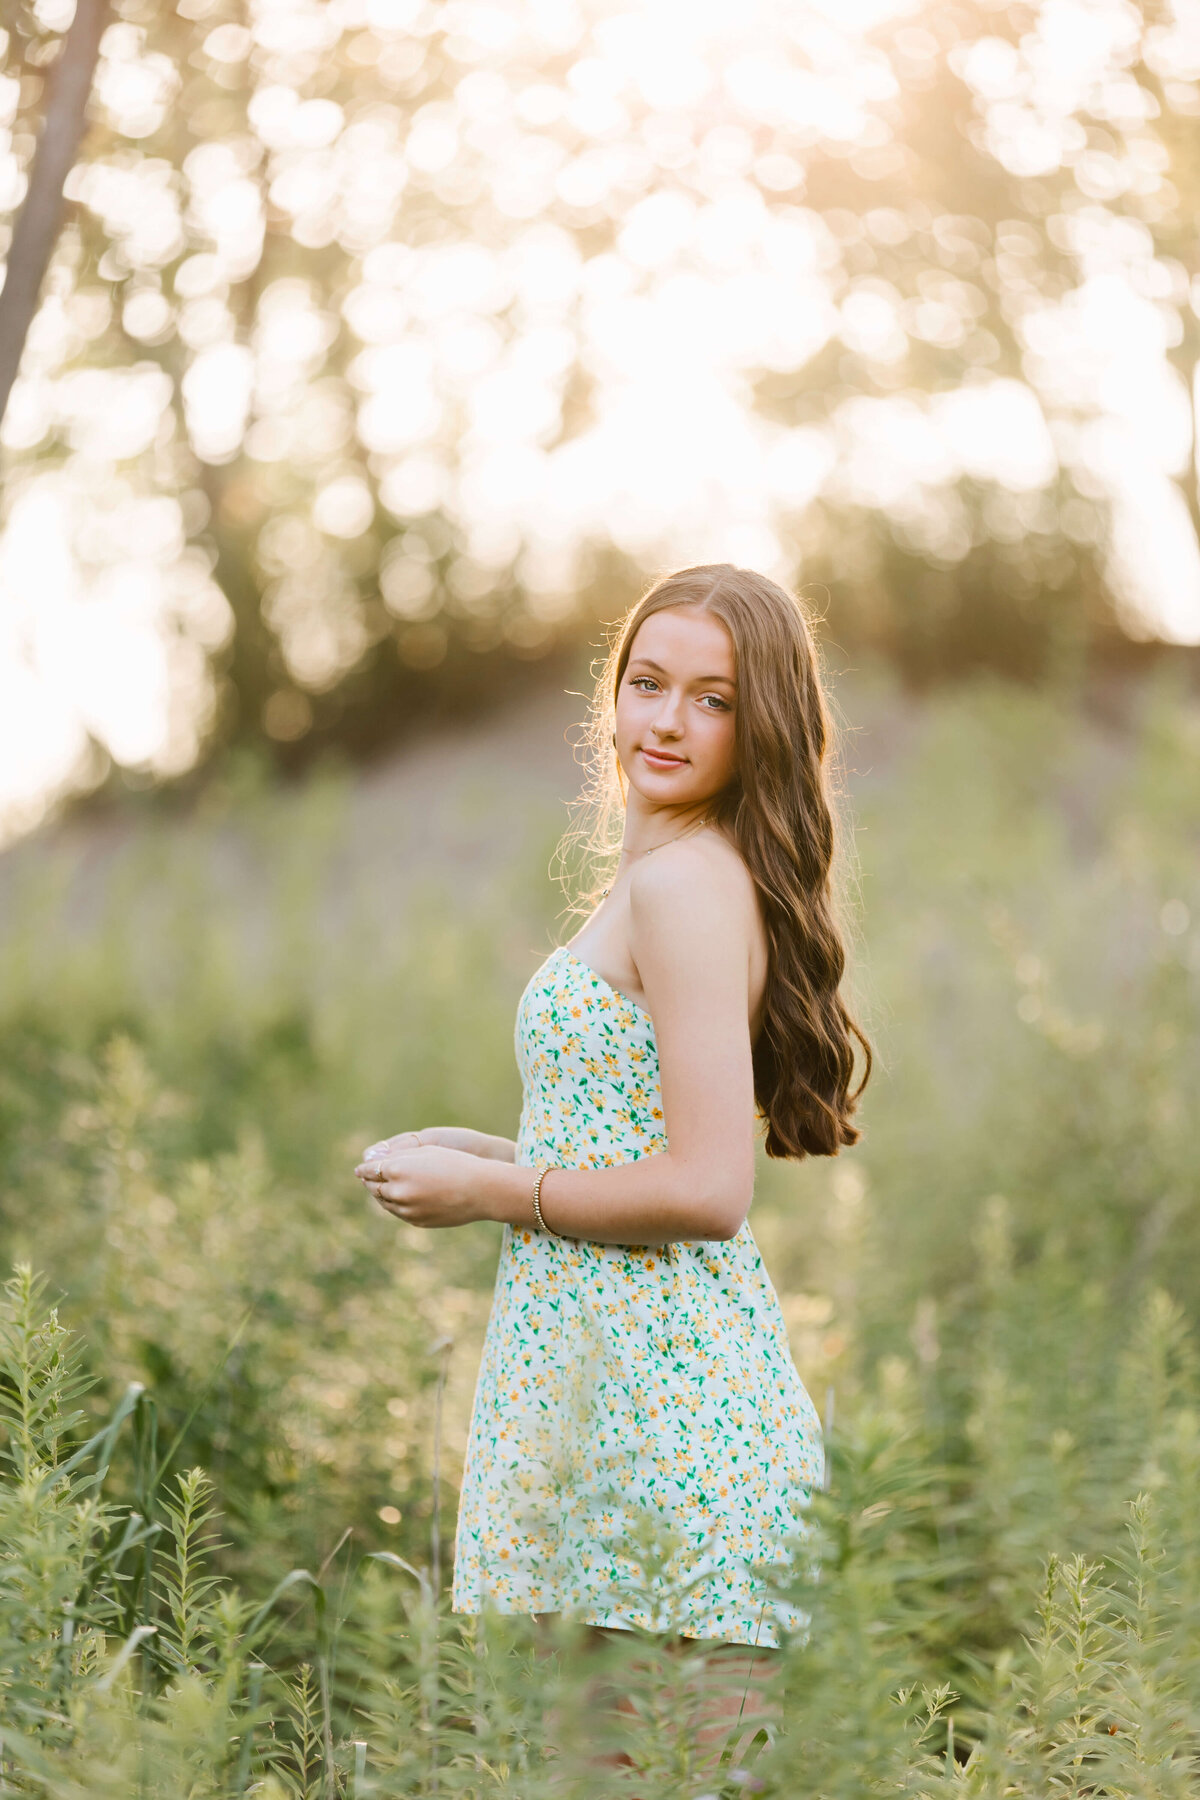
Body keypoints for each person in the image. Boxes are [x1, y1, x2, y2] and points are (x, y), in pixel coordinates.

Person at [355, 562, 871, 1779]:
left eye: (712, 700)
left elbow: (707, 1188)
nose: (666, 723)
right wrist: (481, 1152)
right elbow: (619, 1137)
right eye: (647, 684)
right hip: (607, 1419)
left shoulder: (688, 884)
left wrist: (493, 1194)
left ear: (765, 728)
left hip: (670, 1445)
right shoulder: (656, 879)